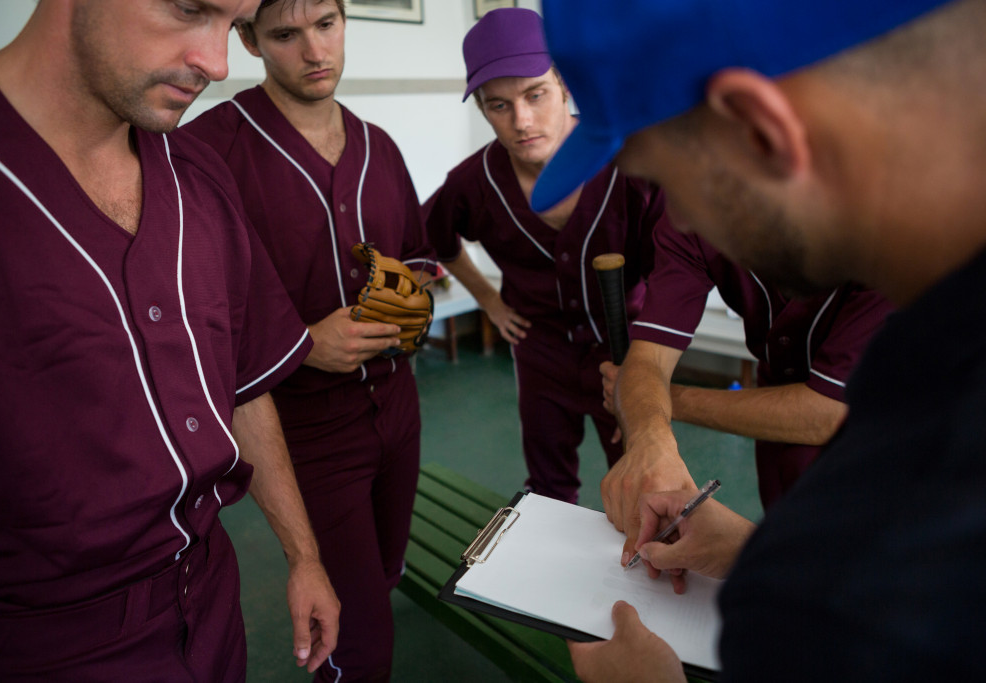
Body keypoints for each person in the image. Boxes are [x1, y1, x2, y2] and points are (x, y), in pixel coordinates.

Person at [530, 0, 986, 679]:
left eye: (665, 181)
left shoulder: (835, 605)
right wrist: (752, 549)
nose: (678, 214)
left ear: (759, 132)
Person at [0, 0, 339, 681]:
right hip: (38, 642)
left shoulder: (197, 176)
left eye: (231, 24)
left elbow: (242, 384)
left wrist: (303, 554)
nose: (217, 63)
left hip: (210, 601)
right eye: (189, 8)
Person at [183, 1, 434, 680]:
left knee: (381, 577)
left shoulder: (379, 145)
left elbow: (420, 257)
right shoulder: (205, 150)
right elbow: (189, 311)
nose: (313, 49)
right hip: (304, 434)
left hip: (398, 411)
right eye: (286, 35)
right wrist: (299, 342)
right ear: (249, 40)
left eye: (325, 23)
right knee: (357, 643)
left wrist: (414, 297)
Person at [423, 7, 664, 504]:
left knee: (642, 480)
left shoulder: (630, 162)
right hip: (540, 350)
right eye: (499, 106)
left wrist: (646, 368)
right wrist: (488, 298)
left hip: (626, 350)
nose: (522, 121)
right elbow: (436, 237)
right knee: (548, 487)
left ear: (565, 84)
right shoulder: (474, 183)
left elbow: (675, 272)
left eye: (536, 95)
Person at [598, 214, 892, 530]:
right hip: (774, 408)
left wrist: (666, 401)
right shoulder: (694, 213)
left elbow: (825, 412)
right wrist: (650, 439)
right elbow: (649, 358)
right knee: (783, 531)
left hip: (879, 421)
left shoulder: (888, 236)